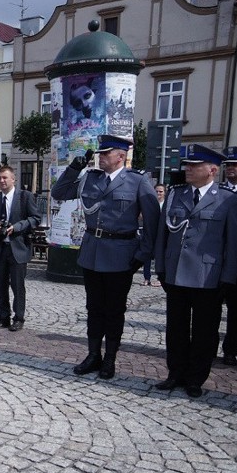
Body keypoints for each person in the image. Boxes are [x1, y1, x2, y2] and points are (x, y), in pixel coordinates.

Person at [52, 134, 159, 380]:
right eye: (100, 152)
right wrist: (75, 166)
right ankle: (93, 355)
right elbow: (59, 192)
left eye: (105, 153)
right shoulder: (90, 178)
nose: (100, 156)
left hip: (121, 255)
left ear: (121, 156)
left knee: (114, 310)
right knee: (93, 308)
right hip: (92, 253)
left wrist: (141, 257)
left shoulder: (138, 181)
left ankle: (110, 358)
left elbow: (152, 224)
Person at [155, 144, 237, 397]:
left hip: (208, 277)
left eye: (194, 166)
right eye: (187, 165)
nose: (188, 169)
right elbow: (163, 235)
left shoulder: (228, 199)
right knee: (176, 328)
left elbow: (233, 243)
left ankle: (195, 378)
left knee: (205, 330)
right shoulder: (175, 194)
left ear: (212, 170)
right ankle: (175, 373)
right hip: (176, 273)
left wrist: (227, 278)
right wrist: (161, 267)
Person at [0, 165, 41, 331]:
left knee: (18, 286)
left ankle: (19, 317)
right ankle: (4, 317)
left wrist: (17, 227)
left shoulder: (24, 197)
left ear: (13, 179)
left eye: (5, 178)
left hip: (18, 247)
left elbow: (35, 218)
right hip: (1, 248)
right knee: (1, 285)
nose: (1, 181)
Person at [220, 146, 237, 366]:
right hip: (216, 262)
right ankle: (207, 347)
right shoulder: (218, 191)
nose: (230, 168)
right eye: (227, 165)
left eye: (235, 164)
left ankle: (231, 350)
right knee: (210, 308)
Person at [141, 184, 166, 286]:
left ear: (165, 193)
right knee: (147, 255)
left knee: (160, 256)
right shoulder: (150, 204)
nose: (158, 193)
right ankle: (147, 278)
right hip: (149, 233)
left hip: (162, 234)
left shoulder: (166, 205)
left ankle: (160, 278)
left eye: (161, 191)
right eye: (156, 191)